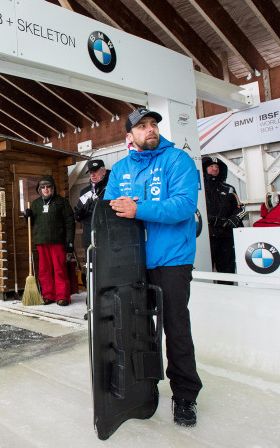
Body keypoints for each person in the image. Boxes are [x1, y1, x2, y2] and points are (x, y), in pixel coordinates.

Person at [104, 108, 202, 427]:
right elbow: (110, 213)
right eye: (142, 126)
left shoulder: (178, 160)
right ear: (129, 137)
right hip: (132, 264)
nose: (151, 130)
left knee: (175, 328)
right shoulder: (119, 170)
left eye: (154, 125)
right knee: (136, 330)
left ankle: (185, 396)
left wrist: (138, 209)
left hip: (172, 260)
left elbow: (185, 206)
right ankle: (141, 389)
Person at [24, 175, 75, 306]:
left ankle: (62, 296)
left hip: (58, 241)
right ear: (39, 189)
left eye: (48, 186)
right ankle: (48, 295)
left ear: (53, 188)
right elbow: (31, 223)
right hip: (41, 241)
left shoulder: (61, 202)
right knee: (44, 270)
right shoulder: (35, 204)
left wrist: (70, 241)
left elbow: (70, 223)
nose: (46, 189)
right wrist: (27, 216)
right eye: (43, 187)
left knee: (59, 269)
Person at [202, 156, 246, 284]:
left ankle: (228, 294)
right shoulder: (198, 189)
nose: (214, 169)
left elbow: (241, 208)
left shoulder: (229, 189)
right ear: (205, 169)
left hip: (225, 237)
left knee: (227, 270)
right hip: (206, 237)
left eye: (217, 167)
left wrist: (233, 220)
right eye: (211, 166)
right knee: (204, 269)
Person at [74, 159, 111, 250]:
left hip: (107, 238)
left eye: (95, 171)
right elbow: (79, 216)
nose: (92, 175)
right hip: (89, 238)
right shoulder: (84, 192)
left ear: (104, 172)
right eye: (90, 172)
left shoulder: (111, 189)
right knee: (90, 263)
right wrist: (79, 214)